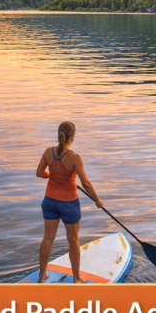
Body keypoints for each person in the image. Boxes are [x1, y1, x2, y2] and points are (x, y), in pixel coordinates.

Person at [35, 121, 103, 283]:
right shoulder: (75, 157)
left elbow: (39, 173)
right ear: (73, 136)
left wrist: (53, 176)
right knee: (73, 240)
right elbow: (86, 183)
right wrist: (97, 200)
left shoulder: (48, 152)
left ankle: (42, 275)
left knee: (47, 238)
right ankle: (77, 278)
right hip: (68, 204)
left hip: (50, 201)